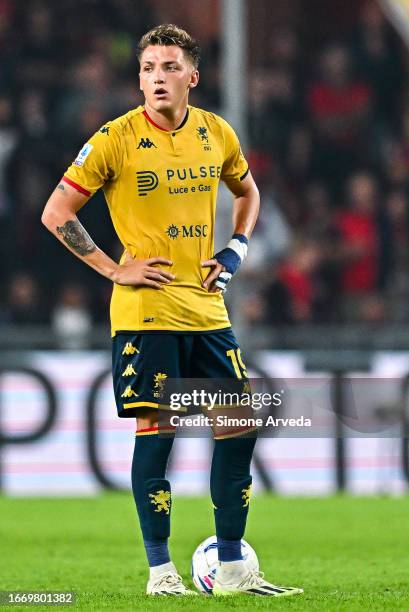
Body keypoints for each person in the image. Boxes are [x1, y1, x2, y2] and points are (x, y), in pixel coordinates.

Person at [41, 24, 303, 598]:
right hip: (147, 313)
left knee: (238, 428)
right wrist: (114, 269)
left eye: (168, 67)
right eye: (147, 69)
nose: (156, 78)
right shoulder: (114, 138)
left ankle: (233, 569)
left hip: (207, 307)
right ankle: (162, 573)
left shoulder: (216, 133)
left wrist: (233, 250)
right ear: (139, 79)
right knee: (157, 432)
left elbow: (249, 192)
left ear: (193, 76)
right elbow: (56, 211)